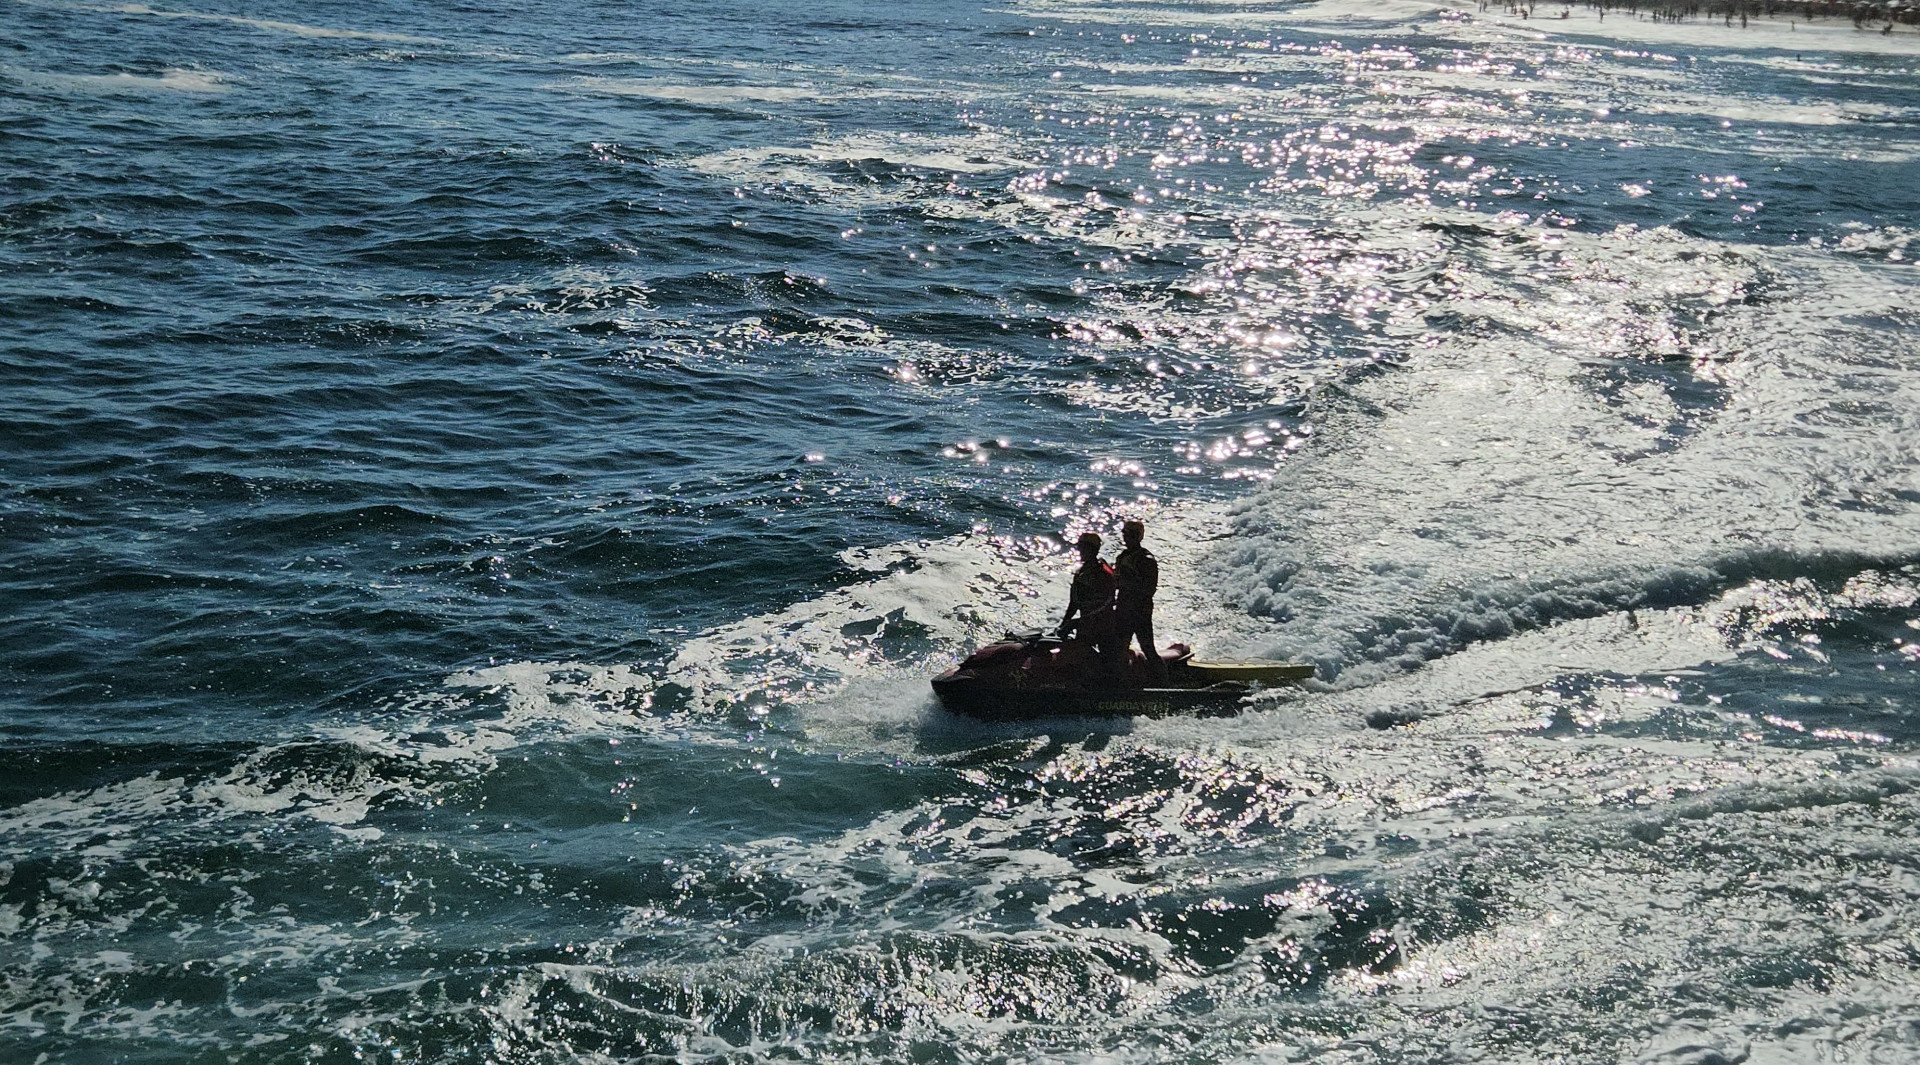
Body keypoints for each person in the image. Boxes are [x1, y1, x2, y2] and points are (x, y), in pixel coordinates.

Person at [1113, 519, 1166, 683]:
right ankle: (1122, 682)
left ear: (1138, 537)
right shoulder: (1122, 557)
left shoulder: (1146, 559)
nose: (1126, 538)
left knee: (1147, 647)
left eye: (1130, 535)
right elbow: (1116, 582)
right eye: (1125, 534)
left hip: (1139, 611)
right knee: (1119, 649)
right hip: (1123, 609)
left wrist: (1127, 583)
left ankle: (1164, 682)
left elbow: (1149, 589)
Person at [1056, 532, 1118, 666]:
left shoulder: (1103, 573)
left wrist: (1078, 622)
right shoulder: (1081, 572)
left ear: (1092, 549)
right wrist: (1065, 623)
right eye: (1079, 547)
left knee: (1107, 659)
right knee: (1080, 656)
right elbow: (1074, 602)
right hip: (1086, 623)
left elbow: (1108, 601)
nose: (1079, 550)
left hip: (1103, 624)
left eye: (1082, 547)